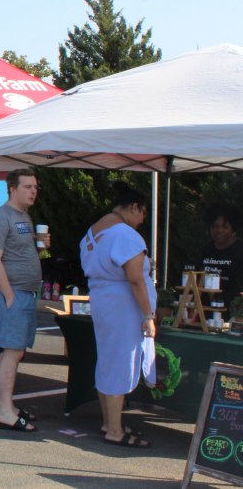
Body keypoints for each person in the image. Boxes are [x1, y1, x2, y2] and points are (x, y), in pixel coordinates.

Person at [81, 182, 155, 448]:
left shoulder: (93, 231)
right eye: (143, 213)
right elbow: (135, 279)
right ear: (134, 207)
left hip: (103, 301)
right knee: (120, 361)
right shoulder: (125, 234)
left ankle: (109, 422)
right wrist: (148, 314)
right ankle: (114, 429)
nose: (142, 220)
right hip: (123, 306)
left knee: (107, 359)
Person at [0, 168, 49, 433]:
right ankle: (4, 410)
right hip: (11, 294)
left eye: (35, 187)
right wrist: (9, 295)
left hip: (24, 293)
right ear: (13, 189)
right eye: (27, 187)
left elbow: (18, 250)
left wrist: (38, 242)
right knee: (11, 351)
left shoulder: (23, 216)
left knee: (16, 350)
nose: (33, 191)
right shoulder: (1, 217)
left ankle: (8, 406)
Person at [200, 203, 243, 305]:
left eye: (225, 227)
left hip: (232, 309)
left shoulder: (240, 251)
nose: (219, 230)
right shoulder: (206, 250)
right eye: (215, 226)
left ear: (233, 229)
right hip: (205, 309)